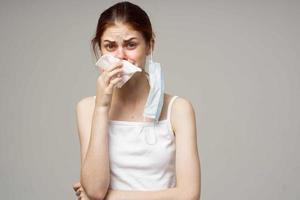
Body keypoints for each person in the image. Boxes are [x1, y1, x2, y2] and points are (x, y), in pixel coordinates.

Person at [72, 1, 201, 200]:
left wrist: (112, 197)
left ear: (150, 45)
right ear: (100, 48)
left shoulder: (178, 110)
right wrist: (102, 107)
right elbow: (95, 190)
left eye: (131, 45)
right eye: (110, 46)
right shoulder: (87, 108)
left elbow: (189, 195)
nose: (121, 56)